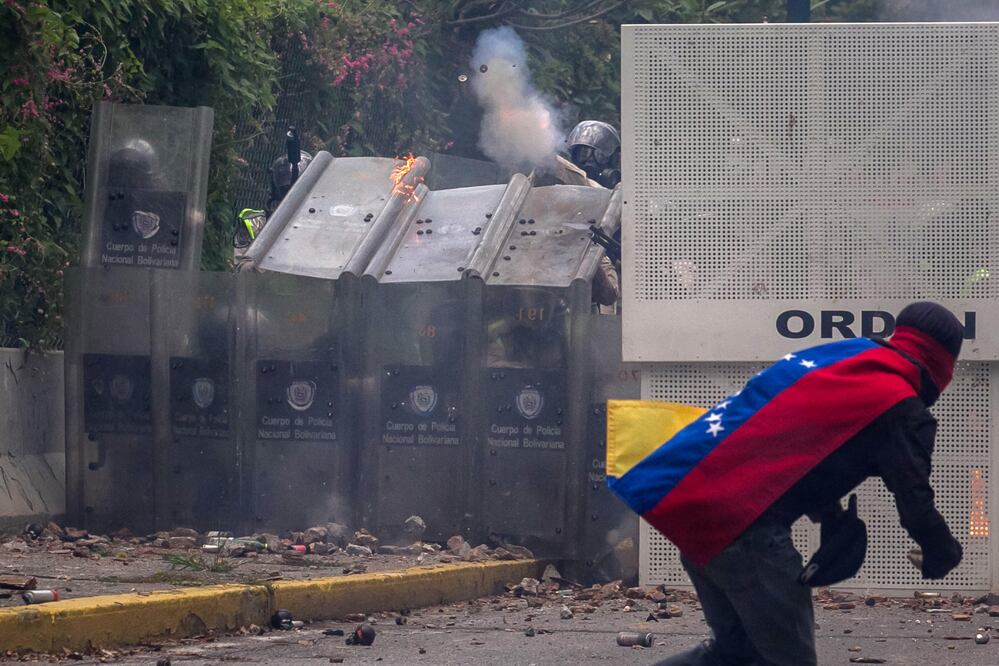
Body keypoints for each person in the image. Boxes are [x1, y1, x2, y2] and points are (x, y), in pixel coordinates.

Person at [614, 302, 965, 666]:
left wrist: (828, 510)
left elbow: (791, 439)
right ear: (943, 363)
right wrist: (941, 550)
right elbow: (914, 497)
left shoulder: (847, 360)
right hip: (744, 532)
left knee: (736, 653)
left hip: (697, 511)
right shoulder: (900, 404)